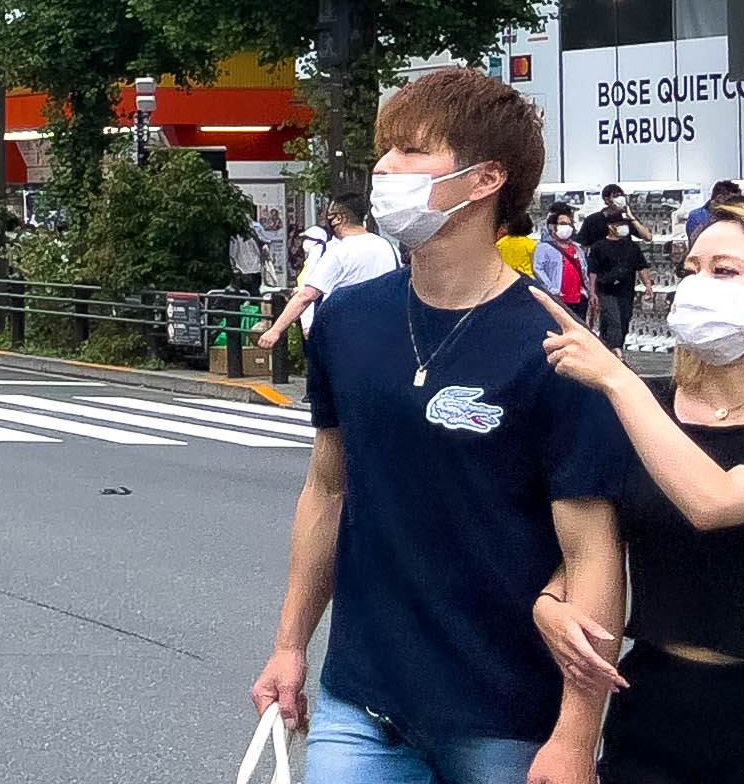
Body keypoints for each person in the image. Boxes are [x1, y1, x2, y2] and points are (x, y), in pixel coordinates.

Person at [250, 67, 631, 782]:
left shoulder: (556, 347)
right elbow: (328, 490)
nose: (385, 169)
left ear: (487, 179)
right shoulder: (345, 321)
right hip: (361, 700)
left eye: (411, 151)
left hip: (508, 713)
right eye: (384, 151)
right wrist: (290, 645)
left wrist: (577, 736)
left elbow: (591, 551)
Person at [527, 200, 744, 783]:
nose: (695, 285)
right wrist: (548, 603)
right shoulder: (649, 404)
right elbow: (600, 548)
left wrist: (617, 378)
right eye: (690, 269)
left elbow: (713, 501)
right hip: (646, 710)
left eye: (724, 271)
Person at [263, 190, 399, 351]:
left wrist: (275, 330)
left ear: (338, 218)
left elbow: (306, 296)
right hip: (387, 334)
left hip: (348, 337)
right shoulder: (389, 247)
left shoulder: (338, 252)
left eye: (329, 216)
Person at [585, 203, 651, 353]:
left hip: (626, 290)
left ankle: (608, 347)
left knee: (624, 319)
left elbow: (641, 266)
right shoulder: (598, 247)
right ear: (610, 226)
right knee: (613, 318)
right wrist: (592, 292)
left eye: (624, 224)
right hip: (606, 290)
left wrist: (647, 284)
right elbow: (593, 271)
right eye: (619, 224)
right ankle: (616, 351)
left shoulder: (632, 247)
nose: (623, 227)